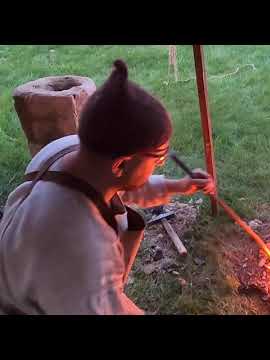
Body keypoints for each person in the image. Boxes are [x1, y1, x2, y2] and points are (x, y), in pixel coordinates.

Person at [0, 59, 215, 315]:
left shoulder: (63, 151)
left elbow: (123, 185)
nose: (159, 165)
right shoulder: (84, 249)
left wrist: (180, 185)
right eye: (157, 159)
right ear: (121, 164)